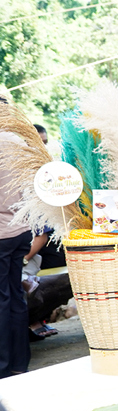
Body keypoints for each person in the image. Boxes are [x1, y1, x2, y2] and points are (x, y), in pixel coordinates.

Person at [0, 128, 31, 378]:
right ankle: (20, 362)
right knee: (16, 295)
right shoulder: (16, 140)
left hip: (1, 234)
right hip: (21, 229)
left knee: (2, 300)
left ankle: (3, 367)